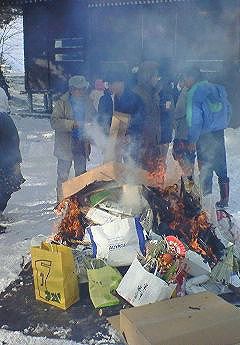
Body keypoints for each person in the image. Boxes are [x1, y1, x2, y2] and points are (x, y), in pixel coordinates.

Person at [183, 67, 231, 209]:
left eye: (186, 78)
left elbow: (195, 119)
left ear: (192, 78)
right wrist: (222, 124)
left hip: (204, 135)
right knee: (221, 165)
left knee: (205, 168)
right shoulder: (216, 88)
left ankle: (206, 201)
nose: (185, 82)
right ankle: (225, 199)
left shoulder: (195, 92)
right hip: (218, 132)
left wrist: (192, 139)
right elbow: (228, 109)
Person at [51, 75, 95, 202]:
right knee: (63, 176)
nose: (81, 92)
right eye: (78, 89)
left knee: (81, 175)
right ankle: (61, 202)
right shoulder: (62, 103)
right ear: (71, 89)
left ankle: (79, 202)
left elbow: (94, 117)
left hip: (81, 144)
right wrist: (73, 124)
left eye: (83, 89)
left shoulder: (87, 102)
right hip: (65, 145)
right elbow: (54, 122)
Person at [133, 61, 164, 187]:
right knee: (141, 173)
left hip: (153, 141)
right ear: (147, 76)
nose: (157, 78)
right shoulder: (137, 94)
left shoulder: (154, 93)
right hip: (142, 142)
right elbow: (135, 121)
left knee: (153, 172)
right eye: (155, 75)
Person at [107, 71, 145, 165]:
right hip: (116, 140)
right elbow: (107, 119)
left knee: (132, 166)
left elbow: (142, 119)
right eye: (108, 84)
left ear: (121, 83)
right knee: (117, 168)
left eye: (112, 83)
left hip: (132, 140)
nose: (110, 86)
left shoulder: (135, 99)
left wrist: (130, 136)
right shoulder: (110, 99)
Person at [0, 87, 25, 220]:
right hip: (6, 162)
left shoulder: (4, 118)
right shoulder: (3, 118)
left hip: (7, 159)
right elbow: (14, 141)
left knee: (6, 186)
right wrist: (16, 160)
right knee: (6, 186)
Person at [172, 75, 196, 178]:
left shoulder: (185, 92)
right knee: (189, 159)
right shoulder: (196, 91)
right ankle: (190, 185)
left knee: (180, 155)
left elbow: (179, 110)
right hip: (192, 133)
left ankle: (188, 185)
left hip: (183, 132)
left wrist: (173, 118)